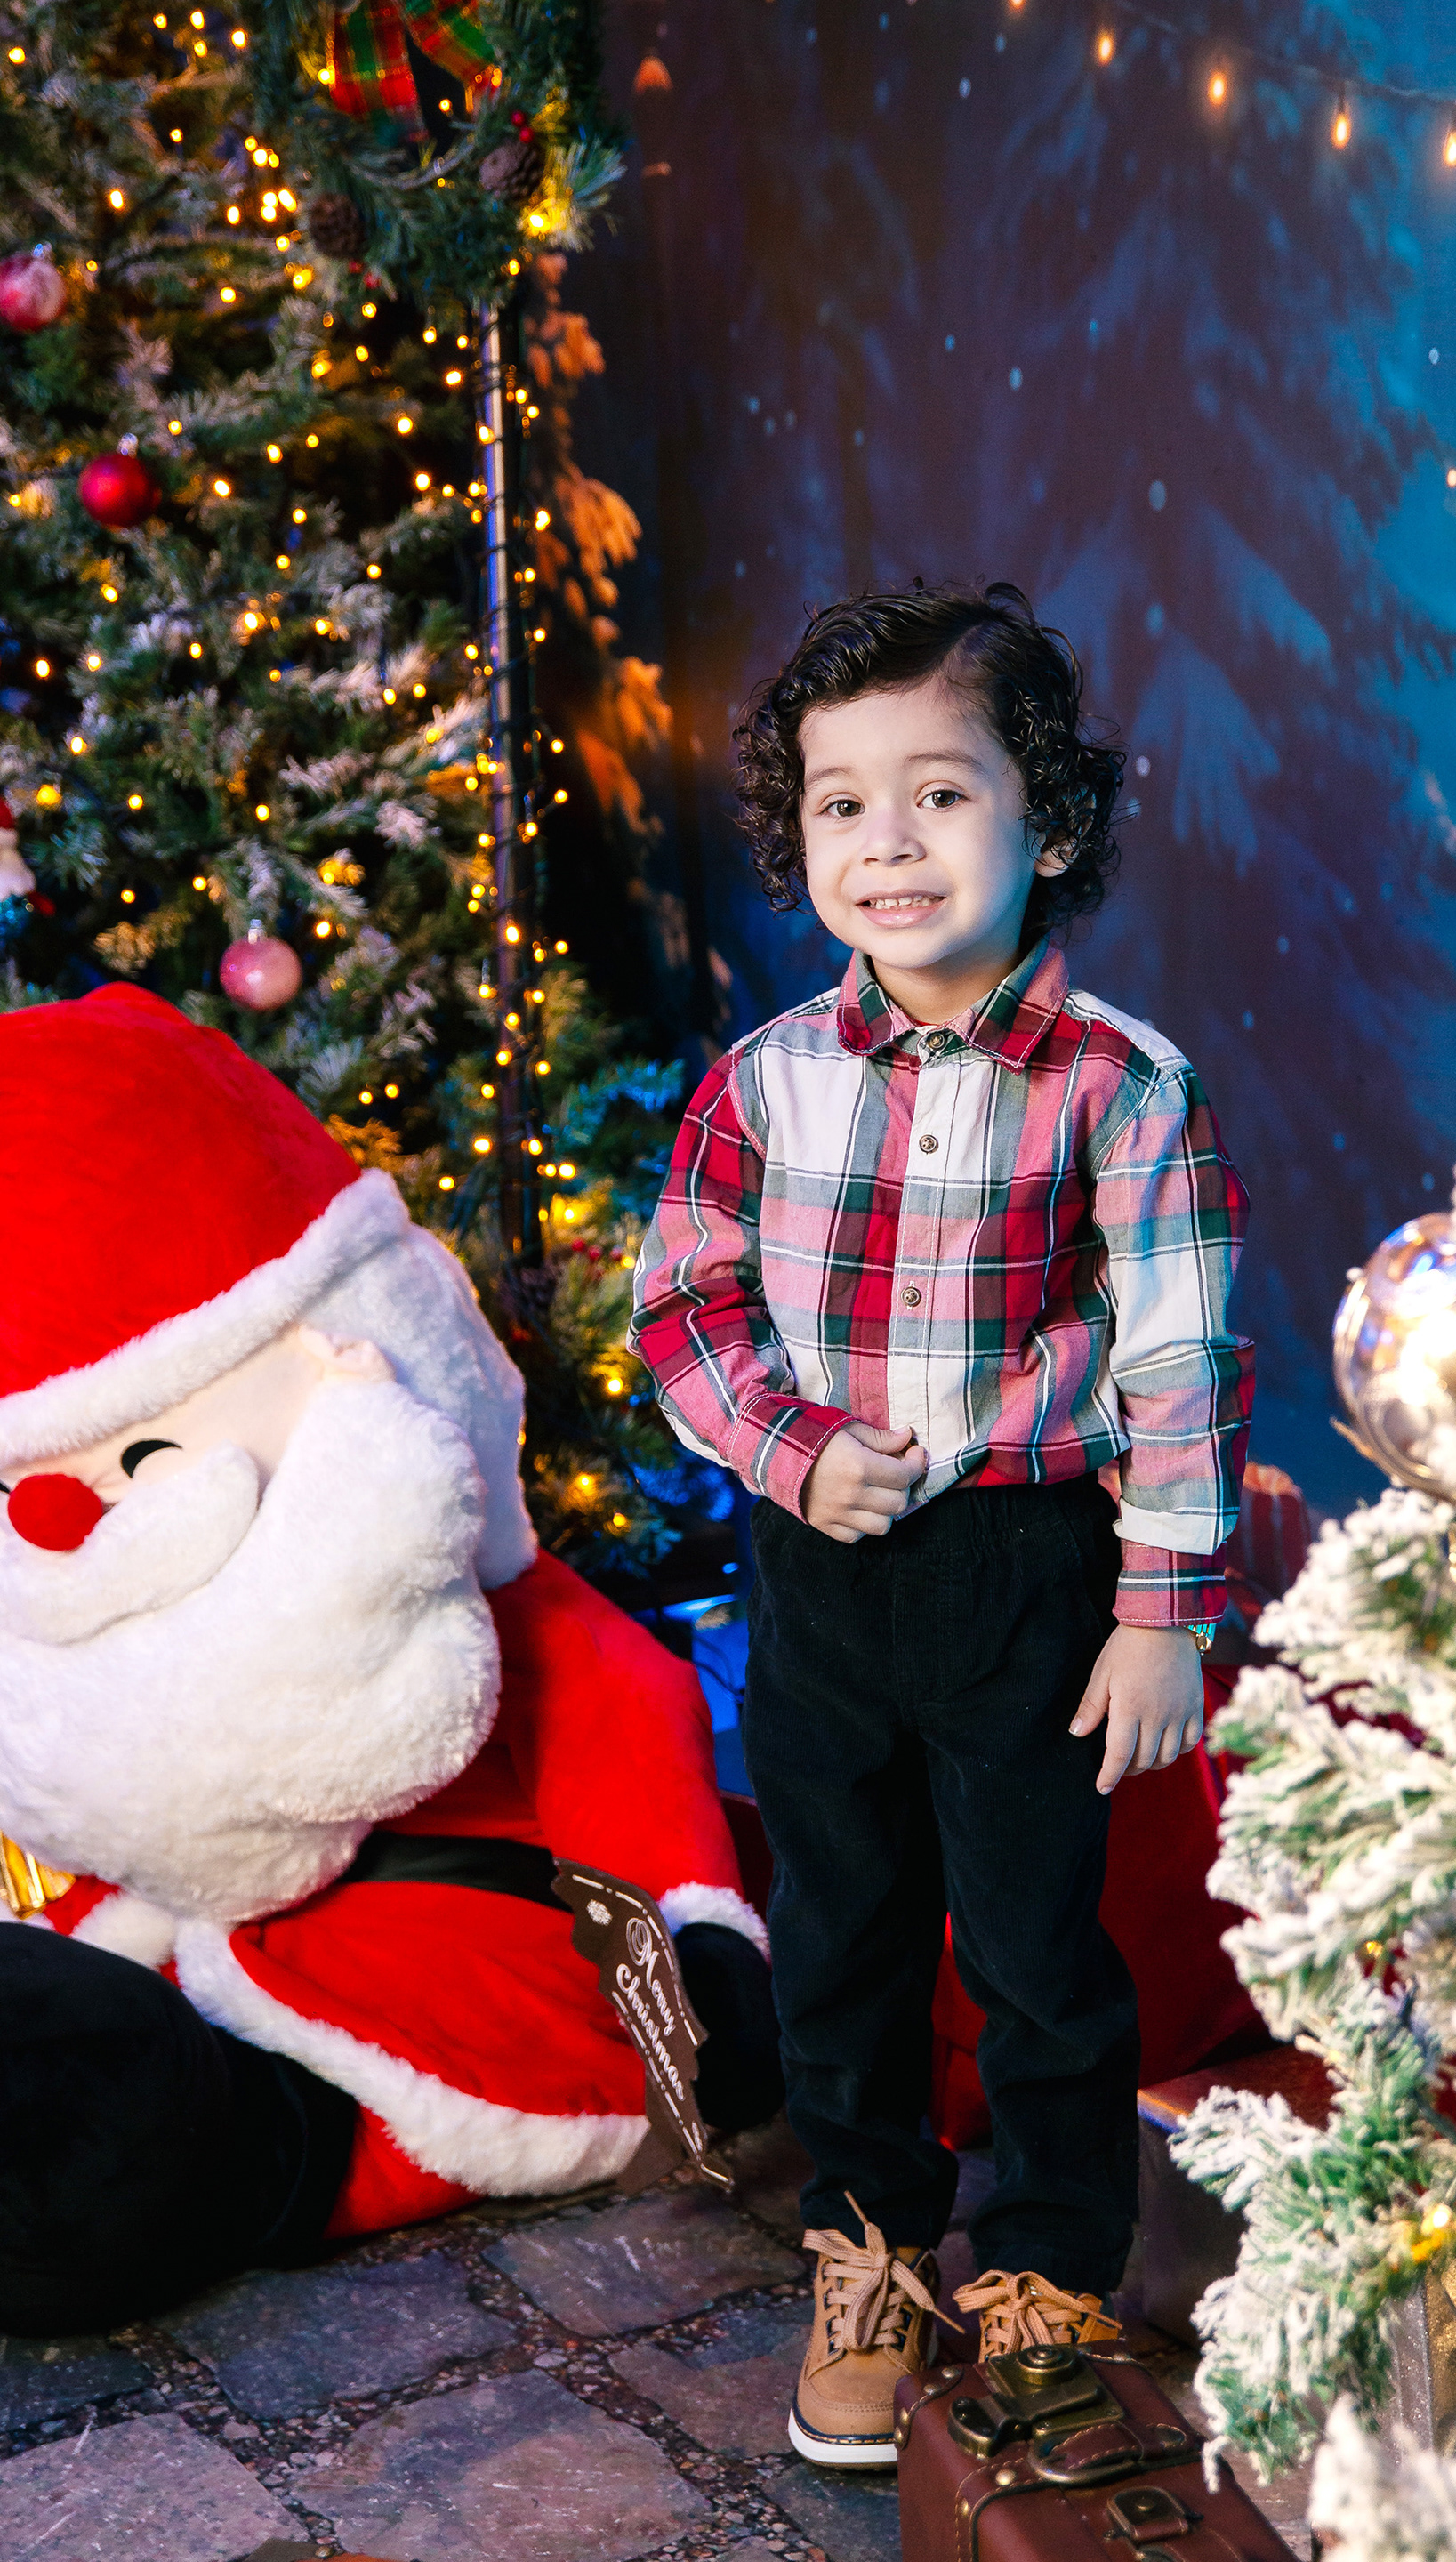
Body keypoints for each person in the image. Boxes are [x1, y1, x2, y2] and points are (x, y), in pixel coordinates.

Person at [630, 580, 1253, 2465]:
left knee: (1036, 1942)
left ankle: (1054, 2262)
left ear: (1045, 823)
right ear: (798, 835)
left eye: (942, 795)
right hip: (820, 1570)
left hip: (1026, 1571)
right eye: (842, 804)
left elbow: (1181, 1356)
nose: (886, 844)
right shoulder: (764, 1081)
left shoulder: (1125, 1087)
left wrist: (1162, 1612)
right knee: (840, 1929)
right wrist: (791, 1450)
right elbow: (689, 1305)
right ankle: (873, 2247)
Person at [0, 986, 779, 2336]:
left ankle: (202, 2161)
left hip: (454, 1966)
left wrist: (699, 1949)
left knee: (199, 2115)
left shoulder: (479, 1592)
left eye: (136, 1457)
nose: (63, 1520)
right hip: (201, 1947)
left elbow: (619, 1724)